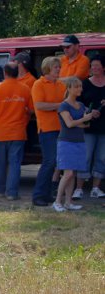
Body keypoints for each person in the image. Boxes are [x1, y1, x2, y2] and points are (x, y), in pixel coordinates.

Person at [0, 62, 32, 200]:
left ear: (5, 73)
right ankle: (12, 193)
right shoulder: (25, 89)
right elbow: (31, 110)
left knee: (0, 162)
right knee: (15, 164)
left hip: (0, 132)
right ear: (18, 73)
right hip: (18, 132)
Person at [52, 77, 99, 211]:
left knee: (72, 173)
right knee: (67, 173)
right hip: (66, 142)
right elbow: (69, 124)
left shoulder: (81, 105)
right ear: (69, 88)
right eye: (77, 87)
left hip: (79, 142)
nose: (80, 89)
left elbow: (86, 125)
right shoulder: (64, 105)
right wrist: (83, 119)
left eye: (80, 86)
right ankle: (57, 202)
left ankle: (68, 202)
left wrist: (88, 117)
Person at [30, 57, 65, 206]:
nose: (58, 69)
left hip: (61, 128)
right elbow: (39, 105)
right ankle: (38, 195)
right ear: (48, 68)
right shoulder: (38, 84)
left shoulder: (61, 84)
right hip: (47, 129)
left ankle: (47, 194)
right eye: (56, 67)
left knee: (55, 163)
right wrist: (59, 106)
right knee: (49, 161)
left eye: (59, 67)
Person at [78, 55, 105, 198]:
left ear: (103, 67)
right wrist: (89, 112)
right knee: (85, 156)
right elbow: (77, 104)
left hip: (104, 128)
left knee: (102, 158)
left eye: (97, 65)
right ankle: (79, 188)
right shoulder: (85, 84)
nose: (94, 68)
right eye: (92, 65)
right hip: (88, 127)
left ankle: (96, 188)